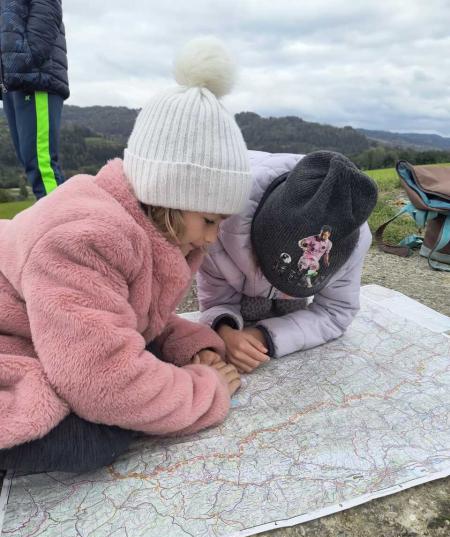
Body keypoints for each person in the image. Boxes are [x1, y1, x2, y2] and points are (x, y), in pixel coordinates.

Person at [0, 37, 252, 473]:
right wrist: (205, 389)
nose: (212, 239)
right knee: (93, 438)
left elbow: (130, 314)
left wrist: (190, 348)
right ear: (168, 197)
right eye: (210, 220)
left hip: (45, 335)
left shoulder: (151, 227)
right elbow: (101, 382)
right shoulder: (86, 239)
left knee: (135, 387)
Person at [197, 150, 378, 373]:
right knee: (252, 308)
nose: (285, 293)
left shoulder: (353, 239)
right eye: (269, 271)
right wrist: (225, 330)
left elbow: (336, 311)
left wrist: (262, 336)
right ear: (253, 241)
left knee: (290, 307)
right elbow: (215, 301)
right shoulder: (218, 221)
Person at [0, 0, 69, 199]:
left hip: (35, 78)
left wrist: (25, 62)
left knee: (41, 165)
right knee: (31, 163)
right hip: (12, 82)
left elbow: (47, 12)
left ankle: (60, 218)